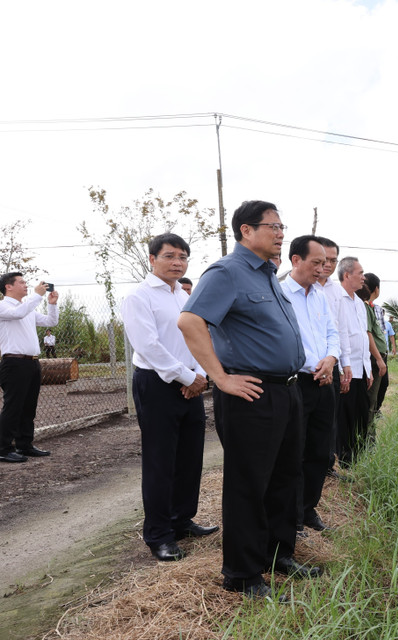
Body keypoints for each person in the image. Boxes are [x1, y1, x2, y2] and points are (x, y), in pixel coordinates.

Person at [178, 200, 321, 599]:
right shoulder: (228, 272)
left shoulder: (268, 275)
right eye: (272, 226)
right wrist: (220, 378)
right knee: (248, 484)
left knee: (285, 477)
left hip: (287, 390)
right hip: (252, 394)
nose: (280, 233)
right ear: (246, 230)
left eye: (281, 226)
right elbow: (190, 321)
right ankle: (242, 575)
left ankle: (278, 556)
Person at [121, 233, 218, 562]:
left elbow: (194, 336)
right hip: (158, 384)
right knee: (161, 461)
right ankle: (159, 534)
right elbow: (148, 346)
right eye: (170, 256)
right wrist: (190, 377)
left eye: (183, 257)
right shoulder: (139, 297)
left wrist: (197, 376)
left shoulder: (183, 296)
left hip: (191, 382)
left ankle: (181, 520)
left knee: (190, 456)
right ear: (152, 259)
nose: (177, 262)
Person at [279, 235, 340, 533]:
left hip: (324, 380)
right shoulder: (279, 294)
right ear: (296, 260)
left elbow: (333, 333)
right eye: (317, 262)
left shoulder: (319, 296)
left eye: (326, 263)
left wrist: (330, 359)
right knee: (294, 452)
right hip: (296, 383)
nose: (322, 268)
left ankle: (307, 509)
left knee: (319, 450)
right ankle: (290, 514)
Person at [0, 272, 59, 463]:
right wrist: (38, 295)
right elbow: (18, 313)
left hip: (32, 363)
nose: (26, 285)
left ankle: (24, 444)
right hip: (14, 363)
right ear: (8, 287)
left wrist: (52, 304)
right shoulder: (3, 306)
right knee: (13, 406)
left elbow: (51, 322)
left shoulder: (27, 309)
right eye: (22, 282)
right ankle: (3, 448)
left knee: (28, 406)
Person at [315, 237, 351, 481]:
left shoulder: (336, 291)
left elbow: (340, 329)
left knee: (330, 417)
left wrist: (344, 363)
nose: (328, 264)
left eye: (333, 260)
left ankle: (327, 465)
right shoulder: (295, 287)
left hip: (333, 361)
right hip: (308, 366)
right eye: (324, 259)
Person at [336, 257, 372, 468]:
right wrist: (341, 370)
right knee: (345, 417)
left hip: (361, 369)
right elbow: (338, 337)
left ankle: (360, 456)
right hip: (347, 370)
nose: (363, 277)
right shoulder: (337, 299)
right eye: (360, 273)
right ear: (347, 275)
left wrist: (369, 370)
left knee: (361, 414)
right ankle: (346, 461)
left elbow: (362, 337)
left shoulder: (359, 303)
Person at [359, 274, 387, 428]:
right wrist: (379, 358)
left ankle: (369, 431)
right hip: (374, 358)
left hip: (378, 357)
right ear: (376, 288)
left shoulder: (370, 306)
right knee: (370, 399)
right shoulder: (365, 306)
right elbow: (368, 333)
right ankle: (367, 436)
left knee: (375, 396)